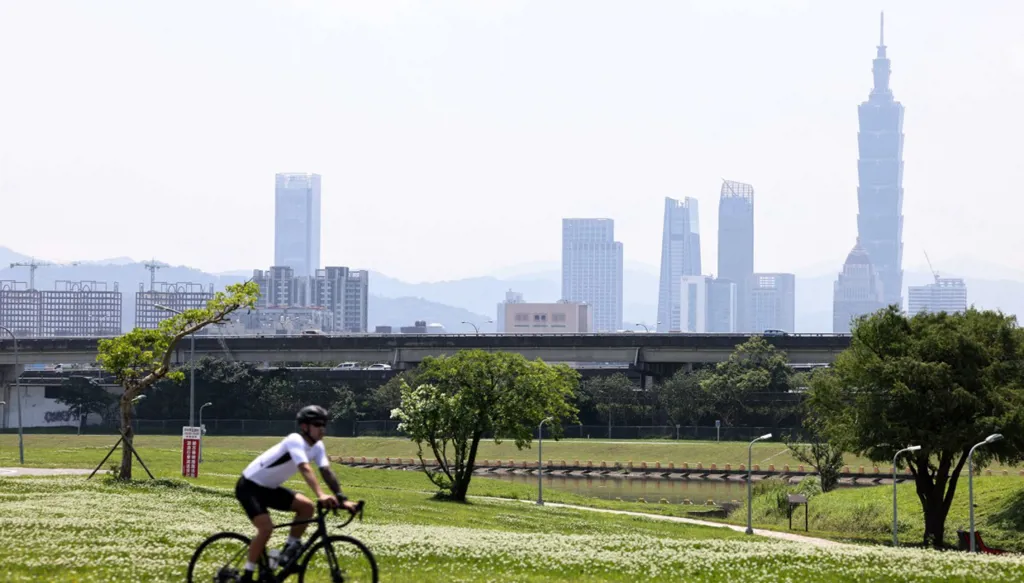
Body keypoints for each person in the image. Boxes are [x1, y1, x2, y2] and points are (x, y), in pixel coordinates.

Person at [234, 405, 358, 582]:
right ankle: (247, 574)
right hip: (249, 486)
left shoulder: (318, 447)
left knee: (307, 507)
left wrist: (342, 498)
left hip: (269, 488)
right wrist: (321, 494)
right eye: (317, 424)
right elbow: (304, 468)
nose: (322, 429)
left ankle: (287, 553)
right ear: (304, 427)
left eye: (324, 424)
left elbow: (326, 471)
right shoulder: (295, 440)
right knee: (266, 528)